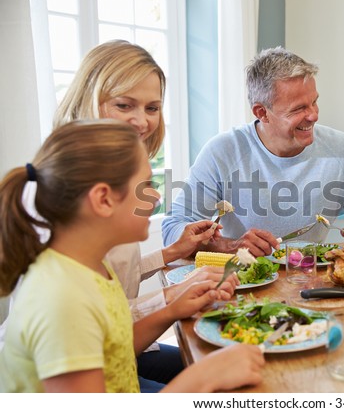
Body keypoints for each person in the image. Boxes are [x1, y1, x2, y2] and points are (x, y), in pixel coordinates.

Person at [16, 40, 236, 391]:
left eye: (152, 107)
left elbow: (113, 305)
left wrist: (171, 259)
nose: (142, 121)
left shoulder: (84, 263)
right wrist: (170, 298)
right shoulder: (62, 288)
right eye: (124, 104)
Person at [0, 120, 264, 392]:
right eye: (146, 185)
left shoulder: (92, 265)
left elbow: (115, 348)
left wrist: (173, 310)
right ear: (103, 199)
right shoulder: (63, 299)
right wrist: (202, 378)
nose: (156, 198)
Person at [162, 47, 344, 256]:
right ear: (262, 112)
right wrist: (231, 246)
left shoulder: (342, 148)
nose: (313, 115)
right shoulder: (222, 151)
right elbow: (173, 227)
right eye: (299, 108)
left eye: (314, 102)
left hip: (310, 280)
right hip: (244, 283)